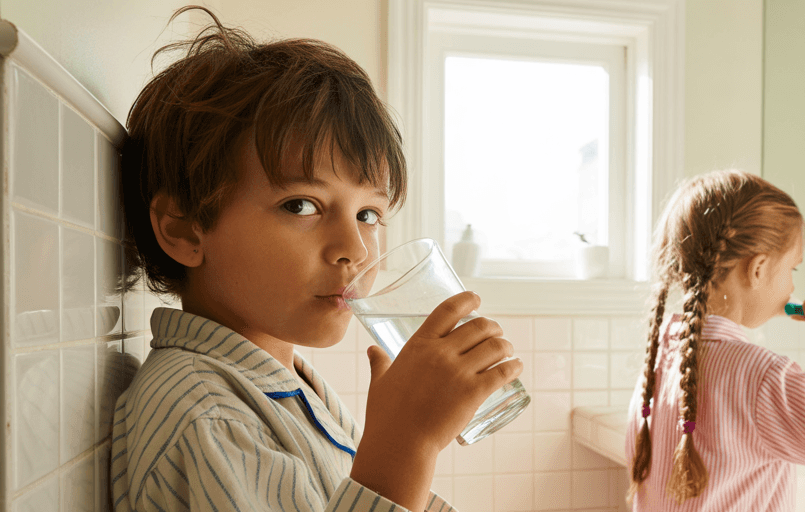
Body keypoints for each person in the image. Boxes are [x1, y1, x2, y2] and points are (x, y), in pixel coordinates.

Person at [109, 8, 522, 512]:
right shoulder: (210, 418)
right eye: (301, 205)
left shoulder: (286, 383)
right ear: (183, 229)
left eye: (369, 212)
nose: (357, 248)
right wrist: (406, 444)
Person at [626, 170, 805, 511]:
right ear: (758, 268)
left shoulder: (661, 359)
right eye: (792, 269)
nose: (792, 287)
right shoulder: (759, 376)